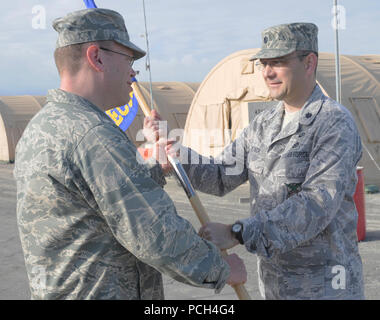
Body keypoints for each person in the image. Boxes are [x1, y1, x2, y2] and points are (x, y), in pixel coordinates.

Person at [14, 8, 247, 300]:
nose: (134, 71)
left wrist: (155, 167)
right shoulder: (92, 135)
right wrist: (221, 267)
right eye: (129, 59)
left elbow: (99, 196)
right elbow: (156, 233)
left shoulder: (45, 125)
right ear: (96, 57)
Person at [145, 22, 365, 299]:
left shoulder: (333, 123)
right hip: (274, 287)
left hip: (326, 288)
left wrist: (238, 232)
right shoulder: (264, 124)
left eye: (278, 62)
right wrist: (176, 151)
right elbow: (221, 175)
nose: (267, 72)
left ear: (309, 63)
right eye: (263, 64)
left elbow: (317, 204)